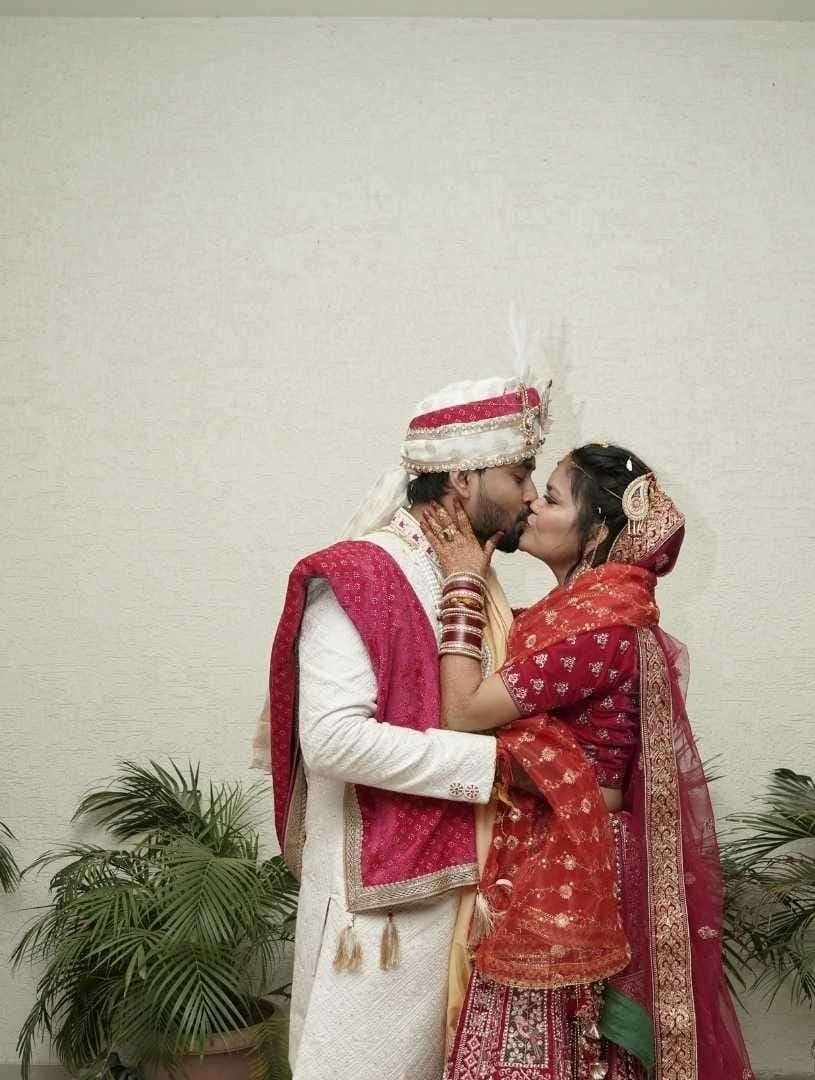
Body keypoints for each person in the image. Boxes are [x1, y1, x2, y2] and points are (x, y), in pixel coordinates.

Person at [419, 443, 754, 1080]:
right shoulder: (574, 616)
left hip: (572, 863)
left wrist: (462, 582)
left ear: (596, 529)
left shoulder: (600, 628)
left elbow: (461, 710)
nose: (530, 506)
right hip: (556, 845)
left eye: (550, 498)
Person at [267, 373, 551, 1080]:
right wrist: (492, 768)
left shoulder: (468, 577)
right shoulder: (362, 575)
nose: (531, 496)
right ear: (462, 478)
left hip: (464, 892)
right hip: (379, 911)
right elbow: (331, 740)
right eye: (520, 475)